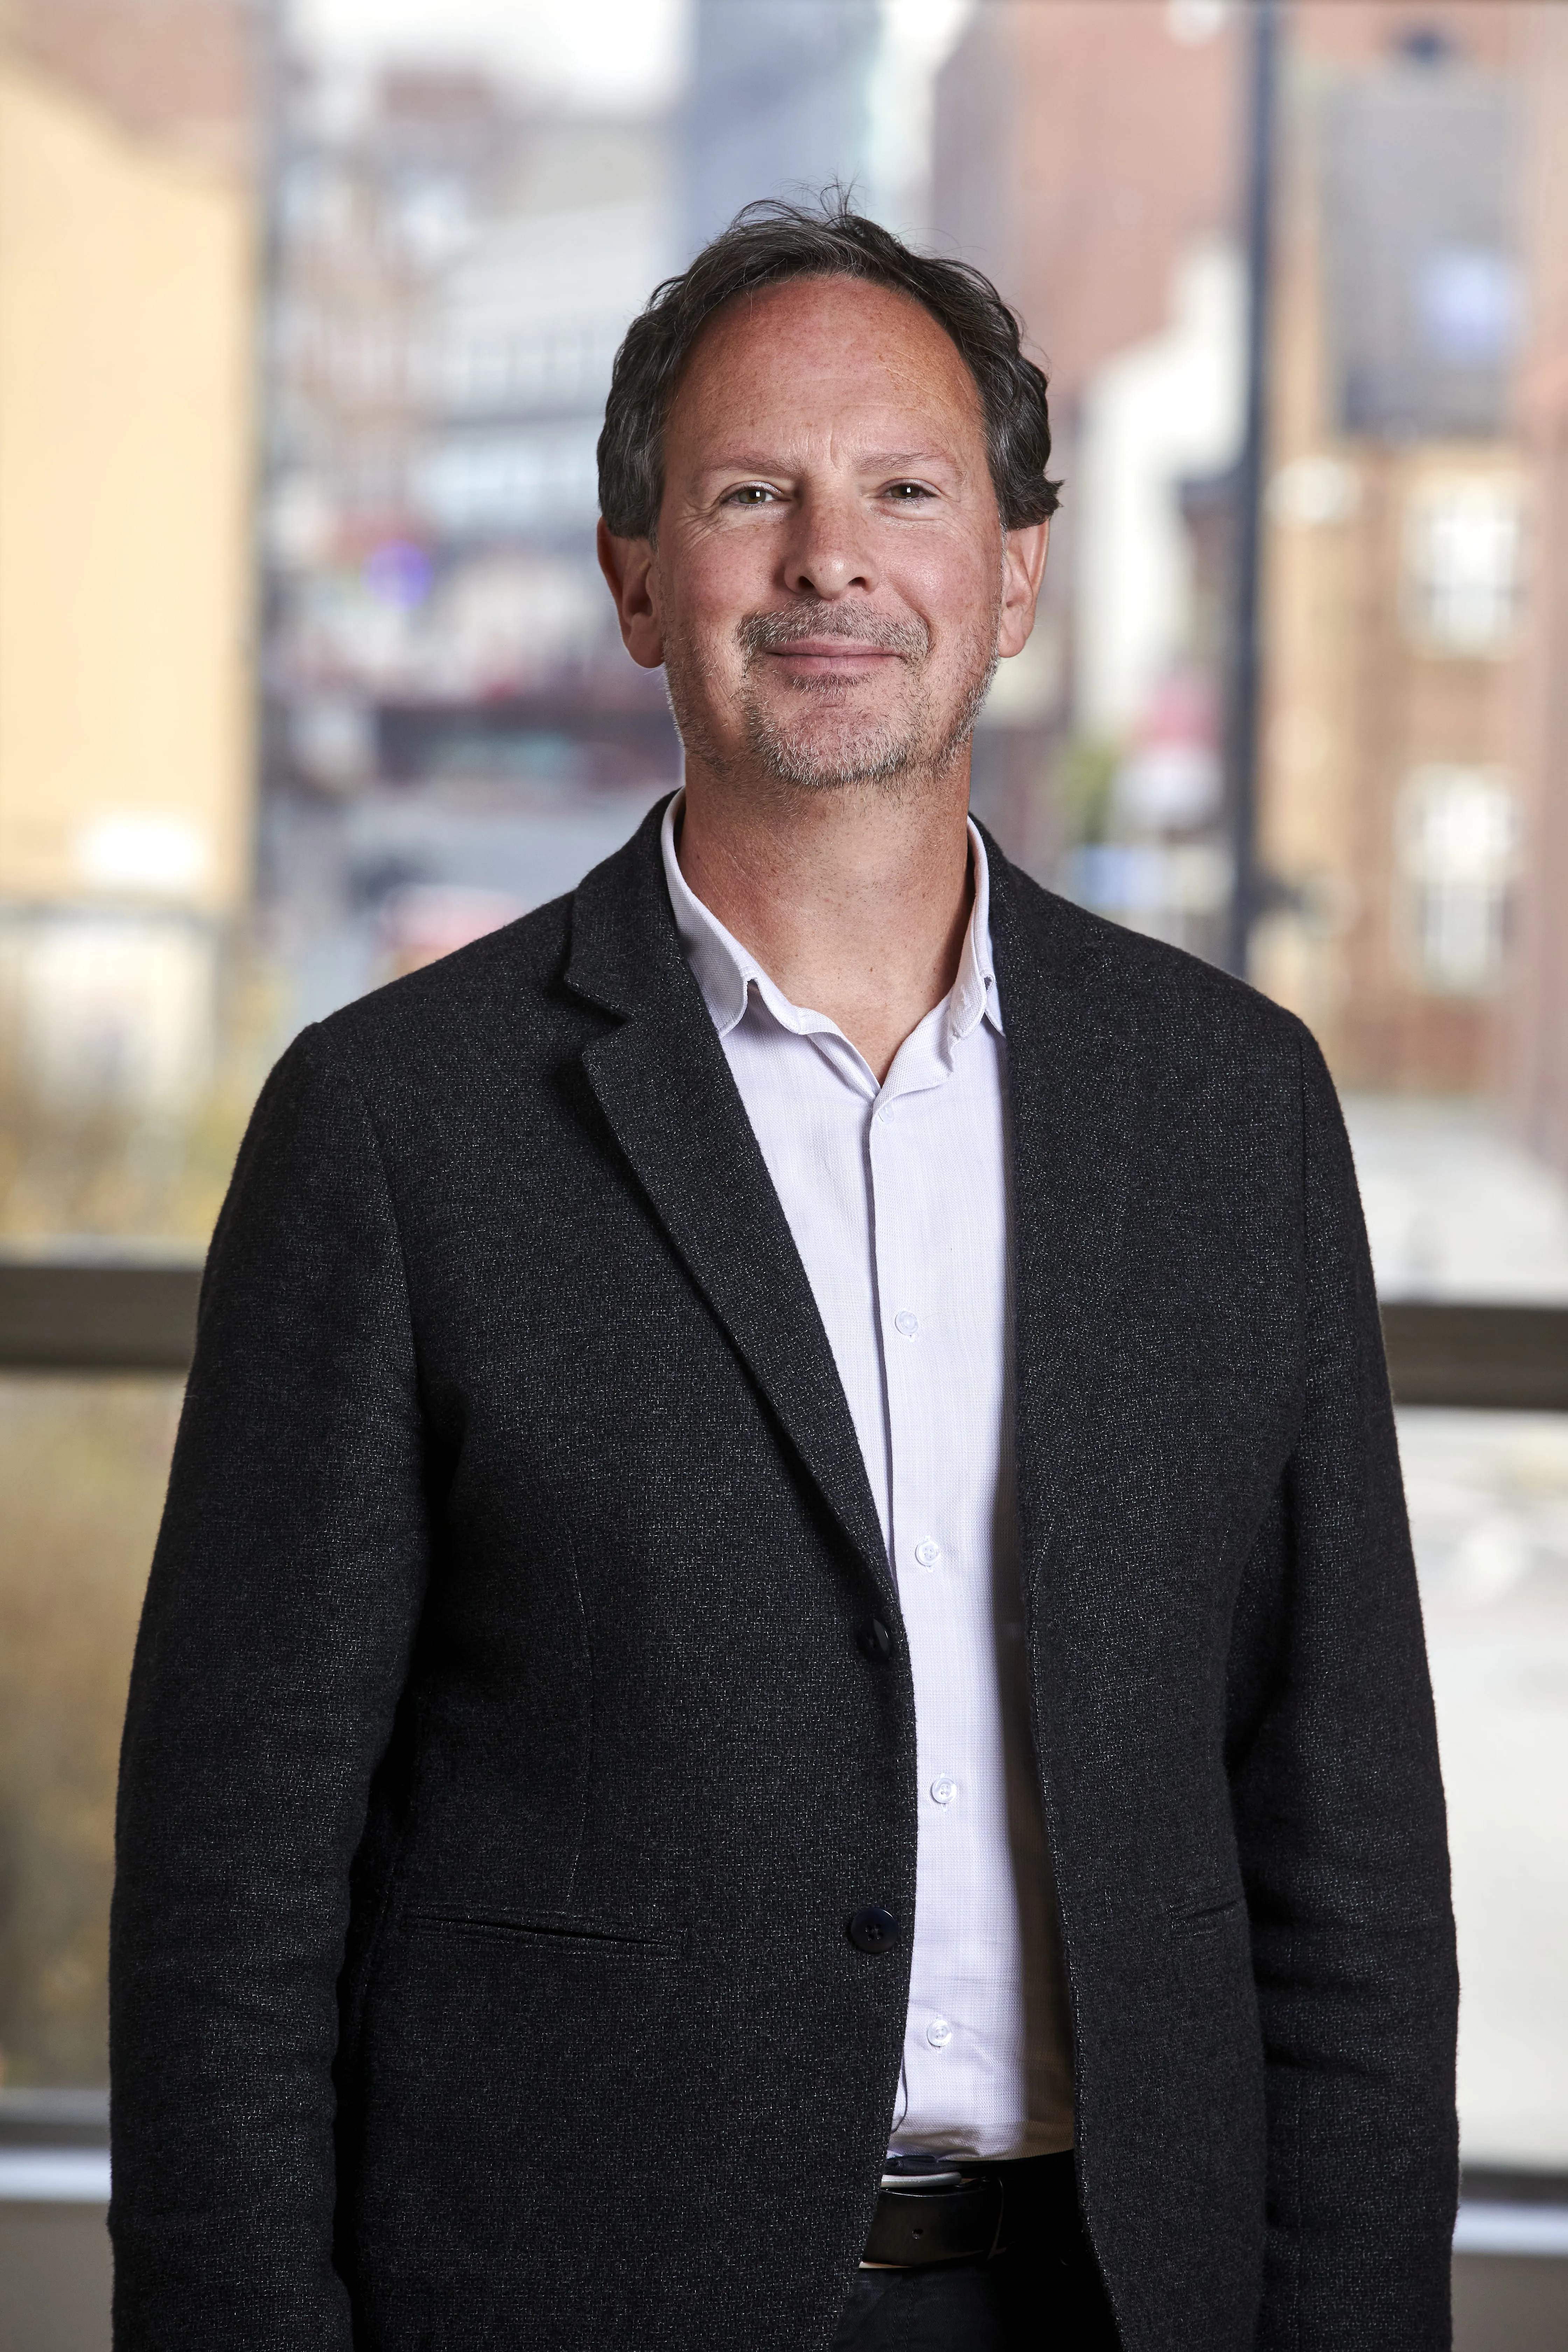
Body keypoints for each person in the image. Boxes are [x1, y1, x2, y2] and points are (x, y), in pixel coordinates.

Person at [110, 195, 1458, 2352]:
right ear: (642, 580)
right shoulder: (394, 1131)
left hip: (1126, 2297)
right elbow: (229, 1912)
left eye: (905, 492)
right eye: (753, 495)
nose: (833, 560)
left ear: (1014, 570)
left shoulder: (1235, 1113)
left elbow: (1350, 1864)